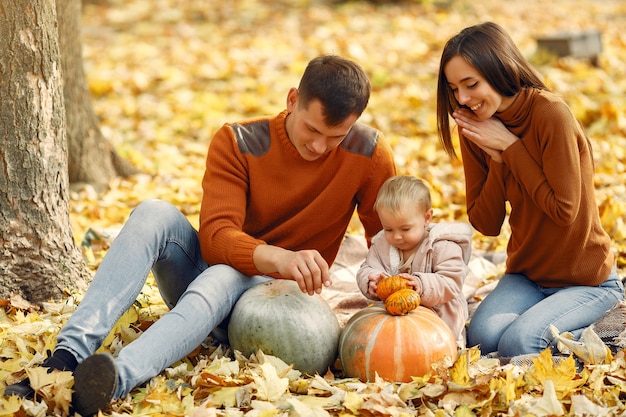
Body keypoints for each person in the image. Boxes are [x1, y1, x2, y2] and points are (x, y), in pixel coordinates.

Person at [3, 55, 396, 416]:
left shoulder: (369, 154)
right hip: (212, 273)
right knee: (153, 212)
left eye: (335, 137)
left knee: (223, 275)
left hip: (274, 309)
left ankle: (110, 382)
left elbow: (389, 243)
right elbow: (216, 237)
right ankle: (65, 358)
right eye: (312, 129)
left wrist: (392, 285)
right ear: (293, 99)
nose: (319, 146)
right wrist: (280, 256)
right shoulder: (238, 142)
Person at [436, 22, 624, 358]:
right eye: (454, 89)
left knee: (519, 343)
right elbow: (486, 223)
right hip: (527, 275)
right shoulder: (476, 127)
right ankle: (559, 325)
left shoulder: (550, 114)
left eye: (471, 84)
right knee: (482, 338)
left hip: (586, 280)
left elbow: (564, 212)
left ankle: (603, 323)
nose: (463, 99)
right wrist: (497, 160)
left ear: (500, 69)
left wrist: (511, 148)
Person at [356, 175, 471, 343]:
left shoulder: (442, 246)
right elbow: (367, 267)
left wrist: (422, 284)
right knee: (376, 340)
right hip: (395, 313)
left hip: (438, 317)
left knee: (427, 346)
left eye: (405, 229)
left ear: (426, 218)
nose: (396, 236)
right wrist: (370, 281)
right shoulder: (381, 245)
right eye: (388, 229)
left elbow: (451, 283)